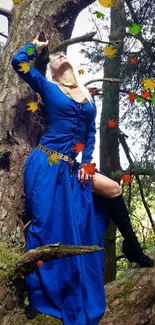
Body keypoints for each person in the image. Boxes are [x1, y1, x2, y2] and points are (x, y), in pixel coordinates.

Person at [11, 35, 154, 324]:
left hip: (73, 167)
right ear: (52, 71)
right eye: (55, 60)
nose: (60, 57)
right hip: (45, 164)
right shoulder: (48, 88)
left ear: (71, 64)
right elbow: (19, 63)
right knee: (43, 226)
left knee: (112, 188)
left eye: (64, 56)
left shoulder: (88, 98)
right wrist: (36, 47)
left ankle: (133, 248)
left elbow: (89, 135)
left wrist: (88, 163)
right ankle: (36, 295)